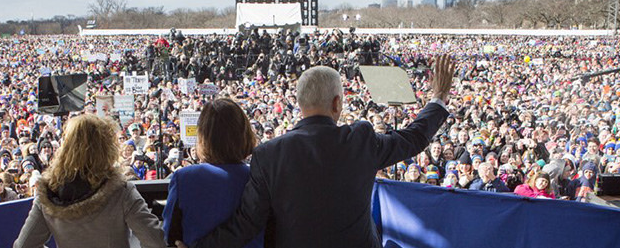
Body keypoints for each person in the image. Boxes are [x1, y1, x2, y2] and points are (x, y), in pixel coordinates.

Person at [190, 56, 455, 248]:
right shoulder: (360, 140)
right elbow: (413, 138)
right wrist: (439, 96)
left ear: (299, 103)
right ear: (337, 103)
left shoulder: (269, 154)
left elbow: (246, 224)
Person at [13, 115, 165, 248]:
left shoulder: (47, 194)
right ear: (107, 148)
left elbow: (23, 245)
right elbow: (155, 241)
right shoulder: (121, 191)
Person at [163, 98, 261, 248]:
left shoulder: (184, 178)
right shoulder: (259, 177)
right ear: (244, 134)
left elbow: (170, 235)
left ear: (203, 137)